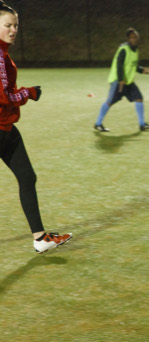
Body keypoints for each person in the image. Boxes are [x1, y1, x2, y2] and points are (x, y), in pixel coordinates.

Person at [0, 1, 72, 253]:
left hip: (6, 128)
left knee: (27, 177)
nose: (13, 29)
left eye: (16, 25)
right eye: (8, 25)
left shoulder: (4, 53)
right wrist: (29, 93)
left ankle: (40, 238)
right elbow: (4, 96)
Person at [94, 27, 149, 132]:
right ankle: (98, 124)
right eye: (132, 37)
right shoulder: (123, 49)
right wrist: (121, 80)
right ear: (128, 39)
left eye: (136, 37)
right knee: (110, 102)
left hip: (128, 82)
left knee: (139, 98)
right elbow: (119, 65)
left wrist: (141, 70)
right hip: (118, 81)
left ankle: (142, 124)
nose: (135, 39)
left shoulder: (135, 50)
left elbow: (132, 65)